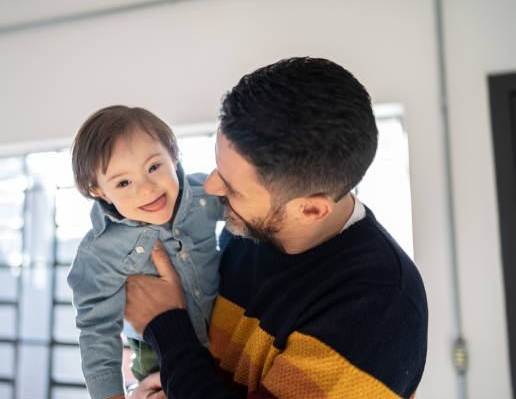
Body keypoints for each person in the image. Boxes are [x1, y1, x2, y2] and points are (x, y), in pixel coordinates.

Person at [124, 57, 428, 398]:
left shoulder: (378, 309)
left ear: (310, 209)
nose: (210, 187)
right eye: (218, 166)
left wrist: (165, 326)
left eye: (232, 187)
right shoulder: (249, 230)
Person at [67, 105, 223, 399]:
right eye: (123, 183)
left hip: (225, 338)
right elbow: (97, 331)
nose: (146, 189)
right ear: (100, 192)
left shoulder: (204, 196)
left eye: (154, 167)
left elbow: (251, 206)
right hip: (156, 357)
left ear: (174, 154)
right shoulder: (99, 254)